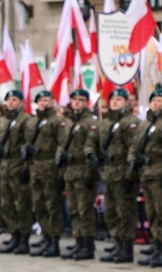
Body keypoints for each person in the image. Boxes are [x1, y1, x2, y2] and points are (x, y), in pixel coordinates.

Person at [91, 88, 140, 263]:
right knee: (111, 211)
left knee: (125, 212)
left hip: (123, 173)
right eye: (113, 99)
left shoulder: (131, 122)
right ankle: (118, 243)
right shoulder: (104, 123)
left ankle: (126, 249)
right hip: (108, 173)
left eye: (119, 99)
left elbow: (134, 149)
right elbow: (94, 142)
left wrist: (130, 175)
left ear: (127, 102)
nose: (115, 102)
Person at [57, 89, 99, 260]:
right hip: (70, 172)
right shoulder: (69, 123)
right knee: (73, 210)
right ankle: (79, 242)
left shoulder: (91, 123)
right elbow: (62, 145)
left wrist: (90, 173)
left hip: (83, 171)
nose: (77, 103)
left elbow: (91, 148)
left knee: (84, 210)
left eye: (81, 100)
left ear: (87, 103)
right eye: (74, 99)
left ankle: (88, 245)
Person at [0, 90, 34, 255]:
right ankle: (14, 235)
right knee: (7, 204)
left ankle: (23, 238)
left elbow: (28, 143)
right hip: (5, 166)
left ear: (22, 102)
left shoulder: (26, 120)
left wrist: (25, 168)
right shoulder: (2, 121)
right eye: (8, 99)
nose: (10, 102)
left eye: (14, 99)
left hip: (18, 165)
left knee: (21, 205)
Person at [27, 90, 67, 258]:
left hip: (50, 167)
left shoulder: (57, 122)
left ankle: (54, 240)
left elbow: (61, 144)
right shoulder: (33, 121)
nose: (44, 103)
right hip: (35, 168)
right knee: (39, 205)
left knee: (52, 206)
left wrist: (58, 167)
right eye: (41, 100)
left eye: (46, 100)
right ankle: (46, 236)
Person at [132, 88, 162, 266]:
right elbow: (135, 145)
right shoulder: (145, 124)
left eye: (161, 100)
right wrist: (134, 161)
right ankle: (158, 246)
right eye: (154, 100)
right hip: (147, 174)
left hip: (160, 175)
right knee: (152, 213)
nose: (156, 103)